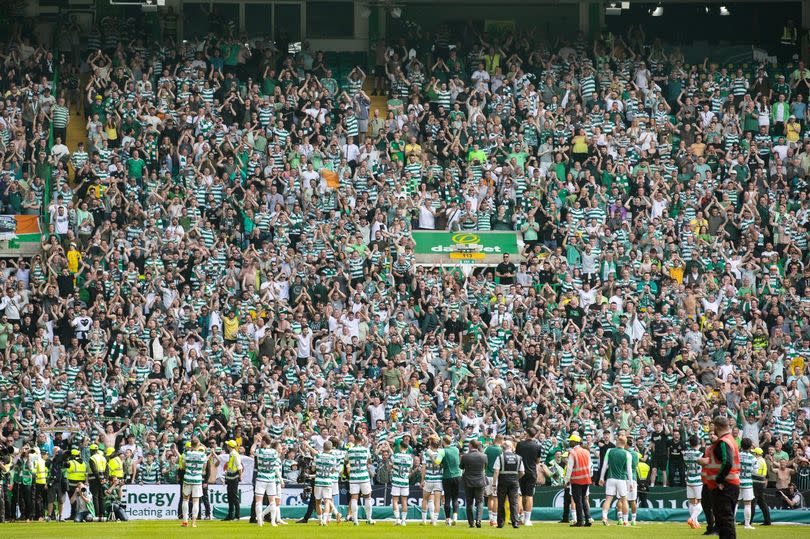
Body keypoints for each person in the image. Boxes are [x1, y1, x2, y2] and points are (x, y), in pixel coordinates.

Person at [702, 416, 740, 539]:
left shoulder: (723, 442)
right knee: (723, 521)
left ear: (717, 427)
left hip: (724, 486)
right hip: (730, 484)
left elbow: (727, 463)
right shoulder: (730, 440)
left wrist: (719, 480)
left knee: (725, 520)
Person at [599, 434, 633, 526]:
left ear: (617, 441)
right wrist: (630, 483)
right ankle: (625, 521)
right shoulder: (627, 454)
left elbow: (604, 466)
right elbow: (629, 470)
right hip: (621, 479)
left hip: (610, 478)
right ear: (625, 443)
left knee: (608, 499)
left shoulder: (609, 451)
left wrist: (601, 478)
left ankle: (604, 517)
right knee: (624, 500)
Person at [493, 440, 523, 529]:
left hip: (502, 481)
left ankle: (500, 523)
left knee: (501, 502)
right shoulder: (518, 457)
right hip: (514, 482)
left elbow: (496, 471)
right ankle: (515, 522)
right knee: (513, 502)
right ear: (511, 447)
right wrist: (516, 478)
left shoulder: (500, 457)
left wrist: (494, 484)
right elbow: (522, 472)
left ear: (503, 447)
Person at [252, 435, 281, 527]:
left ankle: (259, 521)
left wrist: (256, 442)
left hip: (261, 478)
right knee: (272, 501)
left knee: (258, 501)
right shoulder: (275, 452)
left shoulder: (260, 451)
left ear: (264, 442)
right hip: (271, 479)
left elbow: (251, 451)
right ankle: (273, 521)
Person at [564, 433, 592, 527]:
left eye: (570, 441)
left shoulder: (572, 452)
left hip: (576, 480)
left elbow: (569, 468)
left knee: (578, 500)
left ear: (574, 442)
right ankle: (588, 519)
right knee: (584, 499)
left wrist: (566, 480)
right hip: (586, 479)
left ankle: (580, 521)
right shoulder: (586, 452)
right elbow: (590, 466)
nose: (569, 442)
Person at [514, 428, 540, 526]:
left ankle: (520, 518)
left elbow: (517, 457)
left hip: (520, 472)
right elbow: (538, 461)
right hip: (531, 473)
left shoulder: (520, 444)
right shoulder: (537, 446)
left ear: (527, 434)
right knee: (529, 496)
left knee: (520, 496)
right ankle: (527, 520)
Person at [347, 436, 374, 525]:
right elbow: (370, 461)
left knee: (354, 498)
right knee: (367, 496)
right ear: (361, 441)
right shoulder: (366, 450)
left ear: (354, 441)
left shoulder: (350, 450)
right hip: (364, 476)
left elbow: (345, 461)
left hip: (353, 477)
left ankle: (355, 520)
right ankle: (369, 519)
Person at [180, 438, 207, 528]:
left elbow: (183, 466)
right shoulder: (203, 455)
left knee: (185, 499)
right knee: (196, 501)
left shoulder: (186, 454)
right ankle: (194, 523)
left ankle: (185, 521)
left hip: (187, 478)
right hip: (197, 479)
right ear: (198, 445)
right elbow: (204, 468)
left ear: (191, 445)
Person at [460, 439, 487, 528]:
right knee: (480, 502)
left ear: (470, 445)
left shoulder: (465, 456)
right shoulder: (483, 456)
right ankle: (478, 520)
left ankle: (471, 523)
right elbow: (485, 466)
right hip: (480, 481)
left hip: (468, 482)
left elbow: (461, 467)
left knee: (469, 502)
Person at [313, 440, 339, 526]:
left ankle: (320, 520)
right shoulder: (333, 458)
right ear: (331, 448)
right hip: (328, 481)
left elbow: (313, 469)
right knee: (327, 501)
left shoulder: (317, 455)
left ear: (323, 447)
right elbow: (333, 471)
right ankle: (324, 520)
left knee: (318, 502)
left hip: (318, 481)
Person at [420, 435, 444, 526]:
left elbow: (423, 468)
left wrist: (422, 480)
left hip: (429, 480)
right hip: (438, 480)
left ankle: (424, 521)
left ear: (431, 445)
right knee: (437, 501)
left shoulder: (426, 453)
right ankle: (434, 521)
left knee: (425, 500)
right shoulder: (441, 454)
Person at [391, 440, 414, 526]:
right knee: (404, 501)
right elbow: (410, 468)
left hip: (396, 480)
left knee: (395, 500)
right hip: (405, 481)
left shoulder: (395, 456)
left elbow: (390, 466)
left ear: (400, 446)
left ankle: (397, 519)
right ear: (407, 448)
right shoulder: (410, 458)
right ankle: (404, 520)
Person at [684, 435, 704, 529]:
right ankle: (692, 518)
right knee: (700, 501)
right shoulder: (700, 454)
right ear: (698, 443)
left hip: (689, 479)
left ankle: (695, 522)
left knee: (692, 502)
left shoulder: (685, 454)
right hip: (698, 479)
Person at [440, 436, 461, 526]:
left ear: (444, 441)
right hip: (457, 476)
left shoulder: (442, 451)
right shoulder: (456, 449)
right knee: (455, 498)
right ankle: (455, 517)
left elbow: (437, 462)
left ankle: (448, 519)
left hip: (447, 476)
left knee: (447, 498)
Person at [484, 434, 504, 526]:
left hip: (488, 476)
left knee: (490, 497)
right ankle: (494, 519)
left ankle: (490, 519)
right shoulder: (501, 450)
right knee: (495, 498)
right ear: (501, 440)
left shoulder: (488, 449)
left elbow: (485, 461)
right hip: (497, 476)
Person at [738, 439, 757, 530]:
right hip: (747, 482)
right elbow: (755, 471)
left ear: (741, 446)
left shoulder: (736, 455)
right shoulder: (753, 458)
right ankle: (747, 524)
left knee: (735, 503)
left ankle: (731, 523)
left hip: (737, 481)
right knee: (747, 504)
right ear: (750, 447)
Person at [750, 447, 771, 526]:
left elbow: (754, 471)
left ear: (756, 454)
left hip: (756, 483)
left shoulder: (757, 461)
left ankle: (749, 521)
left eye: (754, 453)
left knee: (752, 502)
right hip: (761, 483)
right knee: (762, 503)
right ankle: (767, 521)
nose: (753, 454)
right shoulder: (763, 460)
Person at [65, 449, 87, 521]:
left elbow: (67, 470)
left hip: (72, 484)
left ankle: (73, 515)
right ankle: (80, 514)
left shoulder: (71, 462)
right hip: (81, 484)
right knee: (81, 499)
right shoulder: (83, 462)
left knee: (73, 500)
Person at [223, 440, 242, 521]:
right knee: (231, 497)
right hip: (231, 477)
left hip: (234, 478)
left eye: (227, 445)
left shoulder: (234, 454)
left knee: (233, 497)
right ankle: (231, 515)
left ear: (229, 446)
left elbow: (239, 467)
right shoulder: (232, 454)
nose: (226, 446)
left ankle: (237, 516)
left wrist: (240, 476)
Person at [87, 444, 107, 522]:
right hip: (102, 479)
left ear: (91, 451)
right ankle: (102, 513)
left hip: (94, 479)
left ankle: (97, 514)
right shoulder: (103, 458)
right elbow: (107, 469)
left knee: (95, 497)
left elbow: (94, 470)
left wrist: (99, 479)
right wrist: (105, 478)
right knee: (101, 497)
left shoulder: (92, 458)